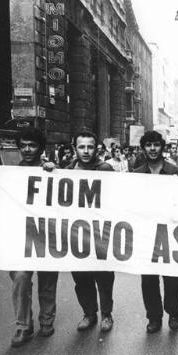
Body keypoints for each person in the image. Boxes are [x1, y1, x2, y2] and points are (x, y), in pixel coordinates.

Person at [0, 128, 59, 347]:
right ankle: (23, 326)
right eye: (23, 145)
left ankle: (46, 321)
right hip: (19, 238)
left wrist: (54, 171)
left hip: (46, 235)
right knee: (20, 279)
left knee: (47, 281)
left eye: (33, 145)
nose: (27, 149)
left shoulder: (51, 172)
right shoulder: (10, 174)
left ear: (41, 148)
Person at [133, 131, 178, 333]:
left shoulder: (176, 172)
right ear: (143, 148)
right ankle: (154, 317)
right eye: (148, 145)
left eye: (156, 145)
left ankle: (173, 313)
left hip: (171, 233)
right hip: (146, 234)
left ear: (162, 146)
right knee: (148, 278)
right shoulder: (136, 174)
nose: (153, 149)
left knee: (173, 276)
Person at [64, 131, 115, 332]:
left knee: (103, 277)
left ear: (97, 148)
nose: (86, 151)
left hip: (100, 232)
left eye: (90, 147)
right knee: (81, 277)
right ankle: (89, 314)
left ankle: (107, 315)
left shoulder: (105, 169)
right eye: (82, 147)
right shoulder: (66, 171)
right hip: (76, 234)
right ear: (74, 148)